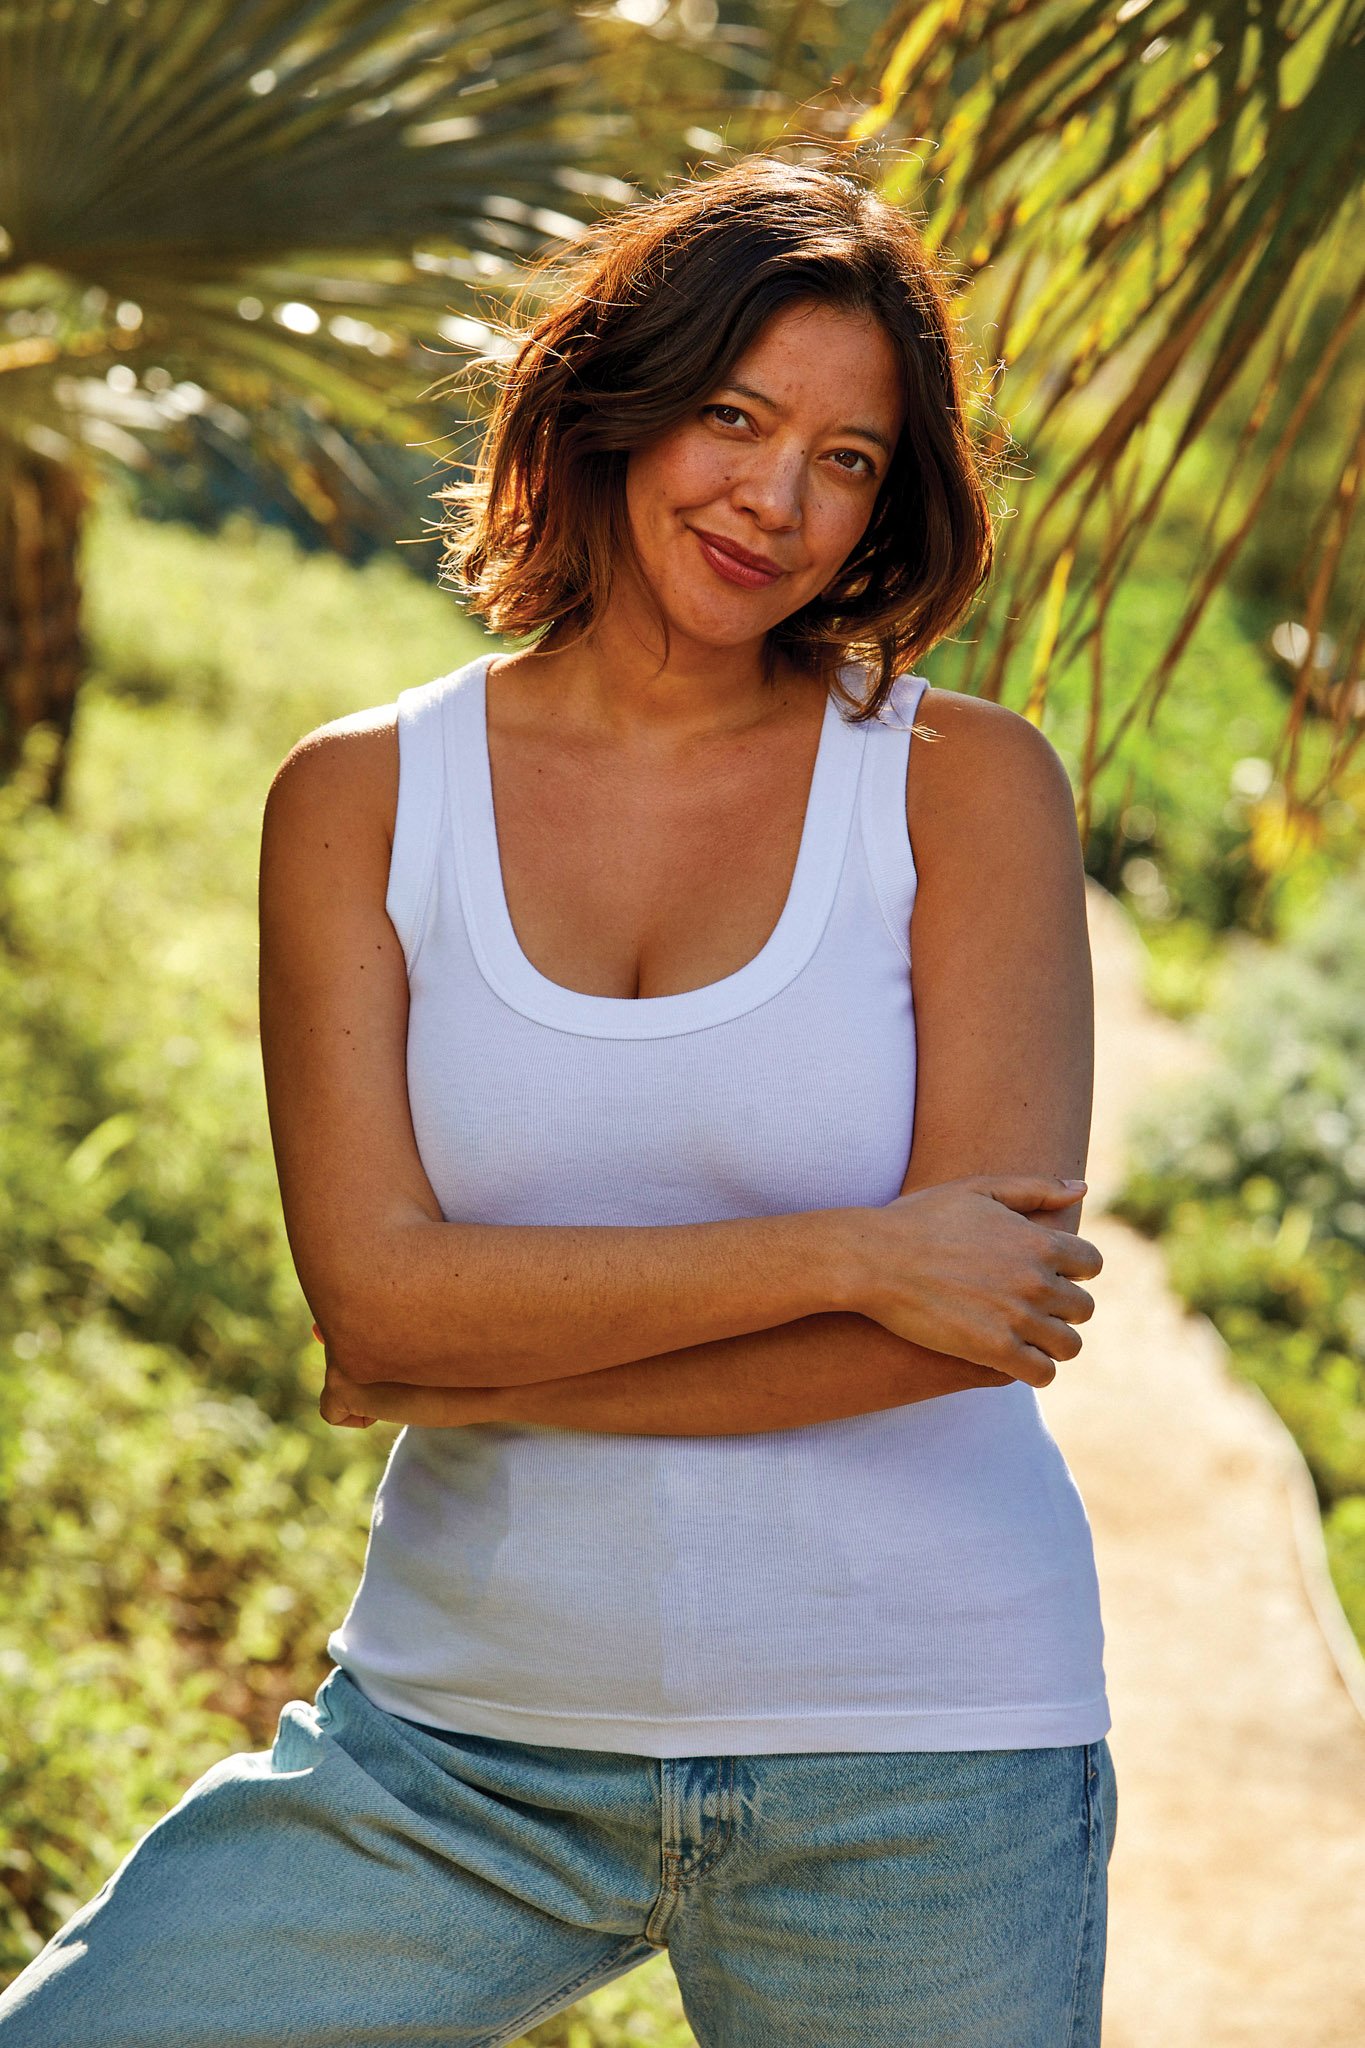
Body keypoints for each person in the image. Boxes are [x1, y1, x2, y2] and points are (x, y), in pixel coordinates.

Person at [0, 149, 1114, 2047]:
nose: (776, 499)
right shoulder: (363, 798)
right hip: (454, 1753)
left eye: (846, 458)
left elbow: (972, 1321)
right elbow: (375, 1305)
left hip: (920, 1756)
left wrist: (476, 1364)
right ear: (610, 402)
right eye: (732, 417)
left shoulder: (961, 785)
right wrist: (855, 1252)